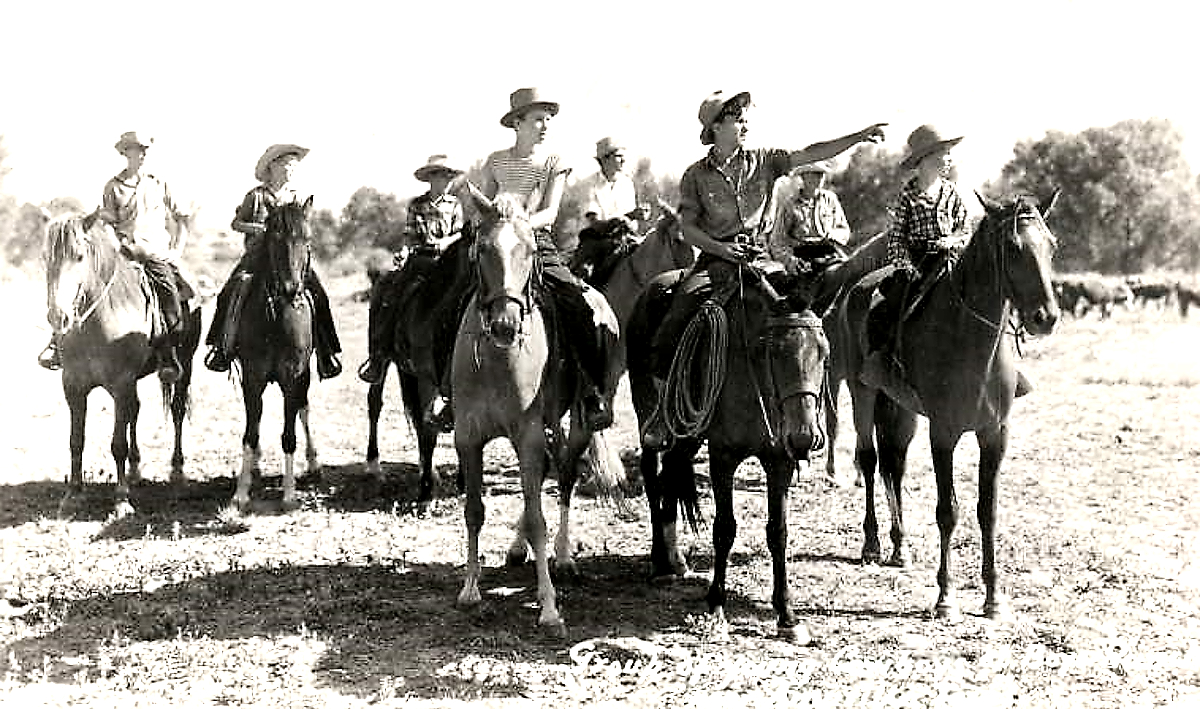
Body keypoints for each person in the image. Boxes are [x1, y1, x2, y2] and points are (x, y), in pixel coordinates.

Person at [642, 90, 885, 449]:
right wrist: (721, 248)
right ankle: (665, 412)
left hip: (762, 262)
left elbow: (811, 152)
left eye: (744, 118)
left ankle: (800, 416)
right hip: (715, 262)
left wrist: (858, 137)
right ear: (716, 127)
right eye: (737, 119)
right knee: (675, 319)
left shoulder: (766, 160)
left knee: (805, 322)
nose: (745, 124)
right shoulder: (695, 175)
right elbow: (689, 226)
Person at [437, 87, 618, 431]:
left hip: (536, 244)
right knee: (451, 304)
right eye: (538, 119)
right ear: (517, 122)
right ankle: (448, 394)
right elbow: (481, 214)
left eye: (548, 119)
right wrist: (468, 199)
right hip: (496, 246)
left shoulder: (555, 162)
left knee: (577, 303)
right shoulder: (495, 161)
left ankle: (590, 391)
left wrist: (517, 222)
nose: (545, 125)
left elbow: (549, 213)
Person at [38, 131, 193, 382]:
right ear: (125, 153)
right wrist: (116, 245)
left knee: (169, 295)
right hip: (124, 252)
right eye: (136, 149)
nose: (142, 154)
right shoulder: (113, 186)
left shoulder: (160, 183)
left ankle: (168, 353)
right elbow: (108, 221)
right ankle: (58, 342)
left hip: (155, 253)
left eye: (144, 149)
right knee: (85, 286)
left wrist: (176, 250)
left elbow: (182, 219)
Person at [203, 144, 342, 379]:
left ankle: (327, 352)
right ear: (273, 167)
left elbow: (303, 227)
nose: (290, 169)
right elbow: (236, 223)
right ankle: (221, 347)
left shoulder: (297, 197)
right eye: (286, 164)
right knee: (230, 290)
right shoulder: (256, 196)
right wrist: (261, 230)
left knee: (319, 293)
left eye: (293, 165)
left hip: (291, 260)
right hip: (258, 257)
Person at [357, 155, 466, 385]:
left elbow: (459, 232)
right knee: (389, 292)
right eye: (441, 175)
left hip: (448, 261)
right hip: (421, 259)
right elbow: (409, 235)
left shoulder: (455, 204)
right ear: (431, 178)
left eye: (448, 176)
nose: (446, 180)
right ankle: (378, 356)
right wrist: (405, 251)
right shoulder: (417, 204)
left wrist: (445, 243)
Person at [865, 124, 969, 365]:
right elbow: (897, 237)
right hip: (917, 261)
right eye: (944, 153)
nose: (949, 158)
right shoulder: (908, 195)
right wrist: (905, 265)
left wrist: (952, 240)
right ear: (925, 159)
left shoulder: (951, 192)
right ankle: (884, 361)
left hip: (950, 257)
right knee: (890, 307)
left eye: (949, 153)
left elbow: (964, 227)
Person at [769, 159, 852, 274]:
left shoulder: (830, 199)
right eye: (814, 174)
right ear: (803, 177)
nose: (819, 178)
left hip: (830, 253)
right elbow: (777, 241)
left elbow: (844, 230)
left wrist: (833, 235)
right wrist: (790, 261)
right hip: (803, 258)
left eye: (821, 174)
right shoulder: (790, 204)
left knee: (852, 275)